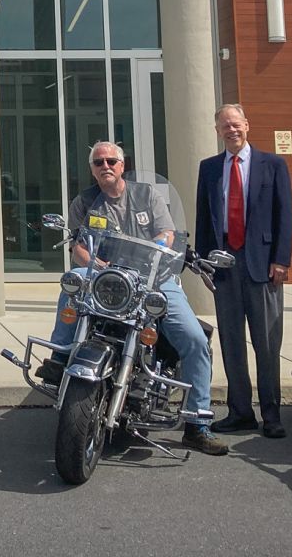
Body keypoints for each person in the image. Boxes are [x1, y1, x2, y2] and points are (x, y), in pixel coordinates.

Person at [40, 142, 228, 457]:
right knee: (71, 284)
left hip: (154, 277)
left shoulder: (147, 195)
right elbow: (78, 248)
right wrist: (97, 266)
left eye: (111, 160)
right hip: (106, 277)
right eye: (98, 162)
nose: (105, 166)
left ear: (122, 164)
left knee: (194, 339)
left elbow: (167, 233)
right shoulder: (85, 202)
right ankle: (59, 359)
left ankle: (197, 424)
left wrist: (157, 247)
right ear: (92, 168)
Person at [194, 103, 292, 438]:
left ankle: (271, 414)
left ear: (247, 126)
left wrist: (282, 259)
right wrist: (206, 263)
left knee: (267, 343)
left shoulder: (272, 164)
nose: (231, 130)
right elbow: (204, 220)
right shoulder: (208, 168)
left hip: (263, 266)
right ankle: (240, 412)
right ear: (218, 131)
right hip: (225, 266)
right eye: (225, 126)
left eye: (236, 124)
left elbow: (285, 215)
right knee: (232, 342)